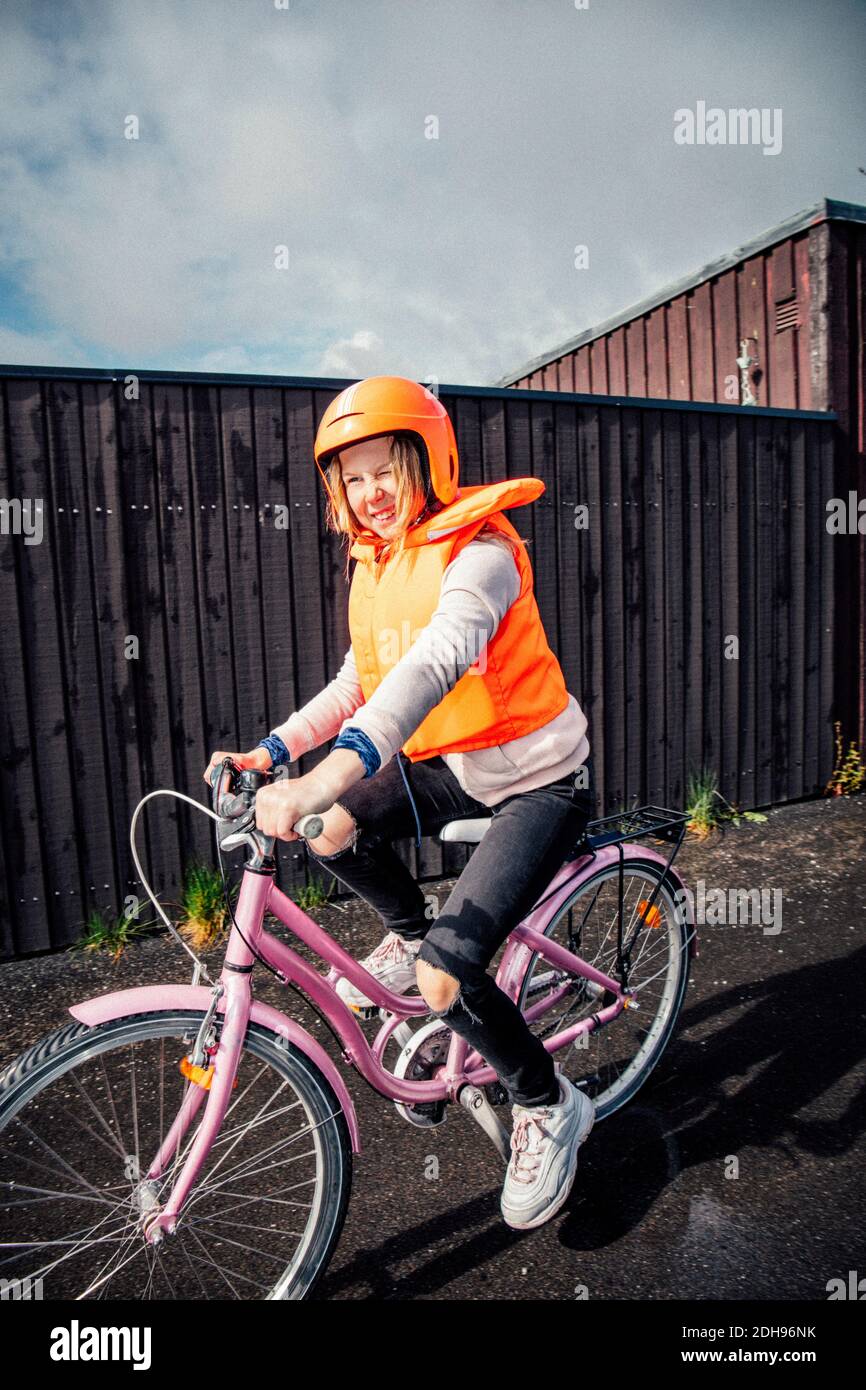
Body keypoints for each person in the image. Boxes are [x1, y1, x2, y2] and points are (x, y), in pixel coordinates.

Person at [203, 376, 597, 1231]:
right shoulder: (380, 567)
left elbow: (431, 669)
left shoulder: (478, 554)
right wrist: (273, 751)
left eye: (387, 469)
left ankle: (547, 1104)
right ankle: (413, 933)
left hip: (537, 781)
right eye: (352, 478)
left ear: (430, 463)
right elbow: (361, 680)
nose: (370, 493)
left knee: (443, 979)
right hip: (456, 764)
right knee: (329, 827)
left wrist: (327, 771)